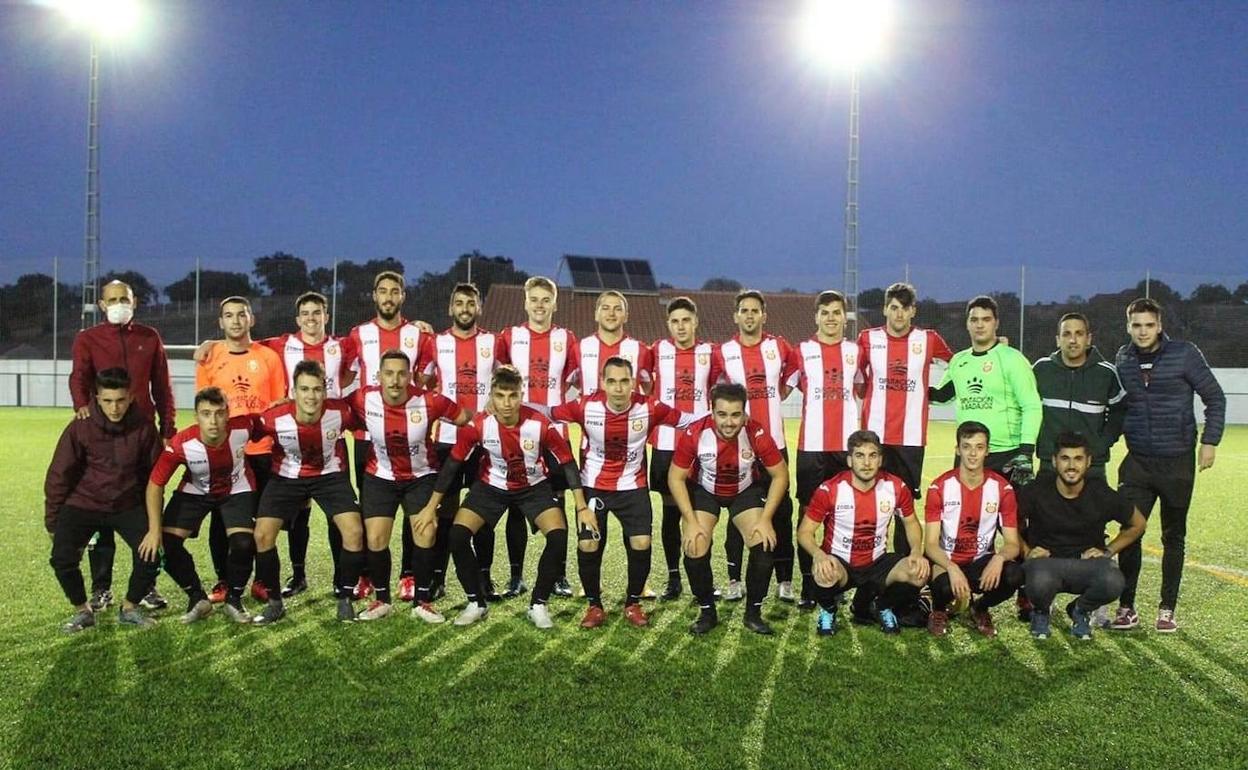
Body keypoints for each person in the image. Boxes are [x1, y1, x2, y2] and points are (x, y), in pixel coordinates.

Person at [194, 291, 358, 599]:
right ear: (297, 319)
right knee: (244, 514)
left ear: (327, 316)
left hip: (321, 441)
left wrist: (419, 326)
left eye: (317, 312)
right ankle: (280, 576)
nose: (311, 318)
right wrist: (211, 344)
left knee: (324, 515)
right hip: (264, 442)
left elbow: (357, 367)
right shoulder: (281, 345)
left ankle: (333, 578)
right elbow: (241, 342)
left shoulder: (345, 345)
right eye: (305, 313)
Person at [416, 366, 589, 629]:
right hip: (491, 487)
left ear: (521, 395)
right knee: (457, 536)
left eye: (512, 396)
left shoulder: (540, 424)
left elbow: (567, 462)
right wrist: (431, 507)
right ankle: (476, 602)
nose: (506, 403)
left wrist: (581, 506)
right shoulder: (478, 425)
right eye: (500, 396)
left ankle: (538, 604)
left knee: (558, 536)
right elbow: (451, 465)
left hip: (533, 487)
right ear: (492, 396)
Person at [546, 357, 695, 628]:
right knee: (588, 544)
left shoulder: (650, 407)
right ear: (602, 383)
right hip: (593, 486)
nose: (618, 388)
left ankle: (632, 603)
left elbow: (687, 421)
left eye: (624, 381)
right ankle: (594, 606)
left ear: (633, 383)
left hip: (632, 487)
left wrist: (727, 415)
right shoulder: (585, 406)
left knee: (641, 542)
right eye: (612, 381)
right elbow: (548, 412)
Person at [1109, 298, 1225, 633]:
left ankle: (1167, 609)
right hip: (1138, 462)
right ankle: (1127, 607)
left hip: (1176, 462)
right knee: (1130, 531)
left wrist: (1210, 441)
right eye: (1136, 325)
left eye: (1149, 325)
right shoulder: (1123, 358)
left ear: (1159, 326)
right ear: (1128, 327)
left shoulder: (1184, 354)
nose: (1142, 331)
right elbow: (1118, 405)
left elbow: (1215, 397)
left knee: (1173, 535)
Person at [931, 295, 1042, 622]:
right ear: (967, 324)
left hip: (1007, 455)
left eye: (986, 319)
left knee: (1017, 528)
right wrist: (909, 378)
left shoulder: (1012, 359)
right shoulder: (960, 361)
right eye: (974, 319)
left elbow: (1032, 405)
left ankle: (1025, 595)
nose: (979, 325)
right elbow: (941, 395)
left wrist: (1025, 452)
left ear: (996, 323)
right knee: (958, 522)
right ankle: (953, 587)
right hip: (969, 456)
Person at [68, 279, 176, 612]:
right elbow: (79, 376)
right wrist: (81, 405)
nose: (118, 304)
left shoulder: (149, 337)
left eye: (123, 299)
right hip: (102, 435)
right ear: (102, 305)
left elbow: (162, 385)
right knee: (99, 506)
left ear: (135, 302)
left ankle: (146, 586)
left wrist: (167, 428)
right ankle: (101, 588)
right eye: (112, 300)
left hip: (141, 436)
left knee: (144, 507)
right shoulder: (87, 338)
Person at [348, 350, 469, 621]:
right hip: (380, 476)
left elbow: (464, 417)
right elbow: (332, 409)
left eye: (401, 374)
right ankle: (382, 601)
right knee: (375, 538)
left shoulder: (429, 401)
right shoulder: (363, 398)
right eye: (389, 374)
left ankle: (422, 602)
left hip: (420, 476)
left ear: (410, 376)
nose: (395, 380)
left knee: (426, 532)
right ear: (379, 376)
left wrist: (491, 411)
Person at [249, 360, 369, 625]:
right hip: (286, 477)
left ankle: (345, 598)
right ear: (294, 392)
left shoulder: (341, 412)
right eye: (304, 389)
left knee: (354, 531)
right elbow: (245, 431)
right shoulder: (273, 418)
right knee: (262, 535)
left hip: (330, 476)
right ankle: (274, 603)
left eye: (316, 389)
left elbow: (371, 417)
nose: (311, 396)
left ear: (325, 391)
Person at [45, 367, 163, 632]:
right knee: (62, 557)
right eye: (107, 401)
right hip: (84, 503)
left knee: (152, 553)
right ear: (97, 398)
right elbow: (59, 474)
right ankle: (83, 611)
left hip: (127, 504)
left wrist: (154, 525)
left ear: (130, 397)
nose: (114, 407)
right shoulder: (81, 426)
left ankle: (130, 608)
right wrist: (53, 521)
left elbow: (155, 479)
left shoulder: (144, 428)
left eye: (120, 400)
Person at [669, 383, 789, 636]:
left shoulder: (756, 432)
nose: (729, 422)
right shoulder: (695, 432)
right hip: (705, 491)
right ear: (712, 412)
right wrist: (690, 521)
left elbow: (780, 475)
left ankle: (753, 613)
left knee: (764, 542)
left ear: (744, 414)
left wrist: (766, 519)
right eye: (722, 414)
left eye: (736, 415)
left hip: (744, 491)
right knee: (694, 544)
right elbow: (675, 478)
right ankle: (707, 612)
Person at [345, 271, 436, 601]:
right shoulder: (358, 334)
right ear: (374, 296)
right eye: (382, 291)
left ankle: (408, 575)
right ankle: (367, 575)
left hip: (408, 433)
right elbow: (340, 370)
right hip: (367, 434)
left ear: (402, 297)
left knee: (415, 511)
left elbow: (428, 379)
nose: (388, 297)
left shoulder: (419, 335)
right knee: (371, 508)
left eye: (394, 291)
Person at [195, 296, 287, 603]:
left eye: (241, 315)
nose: (235, 321)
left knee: (262, 519)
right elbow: (204, 406)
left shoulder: (268, 357)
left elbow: (277, 406)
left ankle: (261, 580)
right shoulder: (209, 357)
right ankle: (223, 580)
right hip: (225, 452)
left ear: (251, 319)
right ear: (221, 322)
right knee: (221, 519)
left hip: (261, 450)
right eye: (229, 315)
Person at [796, 430, 930, 637]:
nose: (866, 463)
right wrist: (819, 555)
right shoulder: (830, 490)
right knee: (824, 573)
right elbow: (804, 532)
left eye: (872, 455)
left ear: (880, 460)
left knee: (918, 572)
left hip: (877, 563)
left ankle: (881, 606)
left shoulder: (896, 487)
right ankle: (829, 610)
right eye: (860, 456)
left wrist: (916, 552)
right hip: (841, 563)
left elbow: (911, 522)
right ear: (850, 460)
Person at [147, 387, 262, 624]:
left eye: (219, 413)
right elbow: (155, 485)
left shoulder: (244, 427)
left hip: (236, 489)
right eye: (206, 414)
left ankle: (234, 600)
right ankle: (197, 598)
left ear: (227, 414)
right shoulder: (181, 444)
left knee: (243, 543)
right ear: (196, 416)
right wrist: (153, 529)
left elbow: (268, 423)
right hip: (196, 491)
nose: (213, 421)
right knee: (165, 544)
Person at [496, 276, 581, 598]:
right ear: (525, 302)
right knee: (516, 504)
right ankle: (516, 576)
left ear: (555, 304)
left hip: (554, 433)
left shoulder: (566, 338)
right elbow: (496, 376)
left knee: (557, 503)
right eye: (534, 299)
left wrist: (562, 408)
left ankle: (559, 575)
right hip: (517, 434)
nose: (540, 305)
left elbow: (578, 379)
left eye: (546, 300)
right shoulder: (510, 337)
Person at [712, 290, 799, 603]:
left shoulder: (780, 347)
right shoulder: (724, 352)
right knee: (738, 513)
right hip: (738, 449)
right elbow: (714, 391)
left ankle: (785, 580)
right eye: (744, 311)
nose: (749, 315)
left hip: (774, 444)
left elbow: (792, 376)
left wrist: (776, 395)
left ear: (764, 315)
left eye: (754, 311)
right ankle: (735, 580)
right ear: (736, 316)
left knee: (782, 513)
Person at [1019, 432, 1146, 640]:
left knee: (1113, 580)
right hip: (1046, 564)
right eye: (1065, 458)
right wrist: (1026, 551)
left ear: (1088, 462)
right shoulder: (1036, 490)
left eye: (1078, 459)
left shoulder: (1100, 492)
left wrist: (1108, 551)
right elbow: (1007, 522)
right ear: (1054, 461)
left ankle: (1080, 610)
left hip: (1085, 564)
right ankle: (1040, 612)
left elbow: (1138, 524)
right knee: (1038, 578)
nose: (1071, 466)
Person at [857, 282, 953, 556]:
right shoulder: (867, 338)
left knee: (905, 507)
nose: (899, 314)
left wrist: (939, 394)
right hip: (874, 438)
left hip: (910, 439)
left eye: (905, 308)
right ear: (885, 309)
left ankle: (902, 564)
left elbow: (960, 365)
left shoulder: (928, 339)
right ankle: (870, 561)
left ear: (913, 311)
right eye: (894, 307)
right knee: (871, 503)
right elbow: (855, 375)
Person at [790, 290, 863, 610]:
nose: (831, 318)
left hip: (845, 449)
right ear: (816, 317)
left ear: (845, 318)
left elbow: (861, 387)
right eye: (825, 312)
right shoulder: (802, 351)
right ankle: (809, 585)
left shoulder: (856, 352)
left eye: (836, 312)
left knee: (842, 515)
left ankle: (836, 581)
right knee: (807, 514)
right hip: (812, 447)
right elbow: (786, 387)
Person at [428, 283, 497, 603]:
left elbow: (510, 375)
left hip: (484, 440)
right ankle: (437, 577)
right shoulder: (436, 342)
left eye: (471, 303)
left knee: (483, 510)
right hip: (446, 439)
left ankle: (484, 577)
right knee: (446, 510)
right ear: (450, 308)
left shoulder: (493, 342)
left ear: (479, 308)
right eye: (459, 303)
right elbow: (423, 380)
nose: (465, 308)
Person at [923, 421, 1024, 638]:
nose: (972, 454)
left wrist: (998, 559)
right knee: (943, 587)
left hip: (981, 561)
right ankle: (938, 610)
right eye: (967, 447)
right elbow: (930, 545)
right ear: (957, 450)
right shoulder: (939, 487)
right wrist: (951, 567)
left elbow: (1013, 544)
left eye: (979, 447)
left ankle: (979, 608)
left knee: (1014, 574)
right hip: (947, 559)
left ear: (987, 451)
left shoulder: (1002, 489)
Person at [649, 296, 719, 602]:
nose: (681, 326)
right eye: (675, 321)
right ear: (668, 324)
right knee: (670, 514)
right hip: (666, 445)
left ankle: (703, 578)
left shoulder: (710, 353)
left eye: (686, 320)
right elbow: (644, 386)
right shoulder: (656, 351)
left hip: (701, 447)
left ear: (695, 322)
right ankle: (673, 577)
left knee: (701, 512)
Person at [1032, 312, 1126, 478]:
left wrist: (1100, 445)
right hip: (1050, 465)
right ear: (1058, 340)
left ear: (1088, 339)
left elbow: (1119, 414)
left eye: (1079, 334)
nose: (1073, 340)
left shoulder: (1106, 374)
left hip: (1092, 466)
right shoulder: (1041, 370)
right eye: (1066, 334)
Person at [578, 290, 654, 396]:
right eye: (605, 308)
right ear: (596, 315)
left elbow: (649, 389)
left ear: (626, 316)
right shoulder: (579, 348)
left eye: (618, 309)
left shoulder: (641, 350)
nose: (611, 314)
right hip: (589, 407)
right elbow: (566, 383)